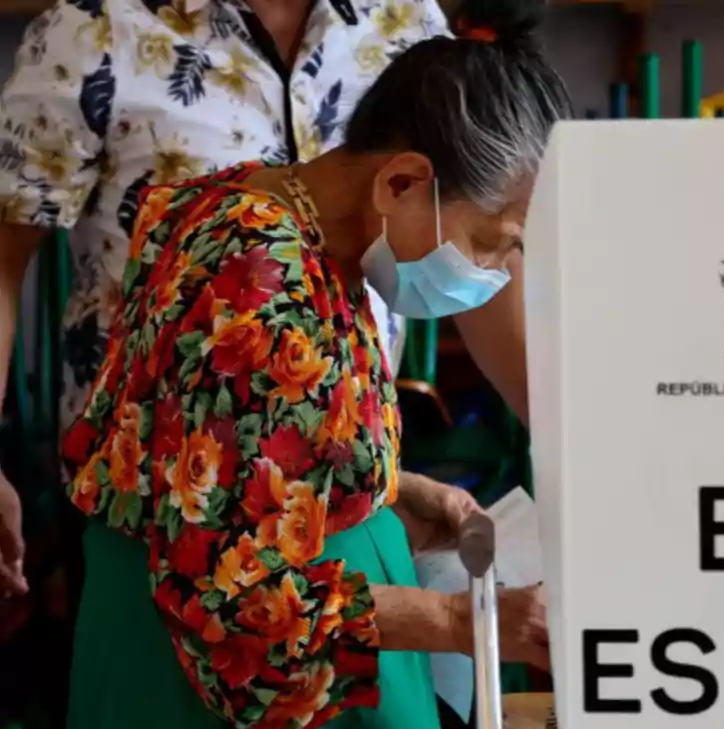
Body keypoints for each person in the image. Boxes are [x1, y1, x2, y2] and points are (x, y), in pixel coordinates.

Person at [58, 0, 570, 729]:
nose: (493, 275)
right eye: (488, 244)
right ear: (402, 180)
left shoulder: (269, 215)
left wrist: (392, 491)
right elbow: (231, 592)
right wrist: (471, 622)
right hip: (226, 694)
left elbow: (225, 442)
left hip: (293, 629)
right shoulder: (259, 280)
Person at [0, 0, 536, 597]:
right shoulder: (96, 28)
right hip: (154, 490)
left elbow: (475, 232)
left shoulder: (405, 21)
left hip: (339, 470)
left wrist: (568, 438)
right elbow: (3, 252)